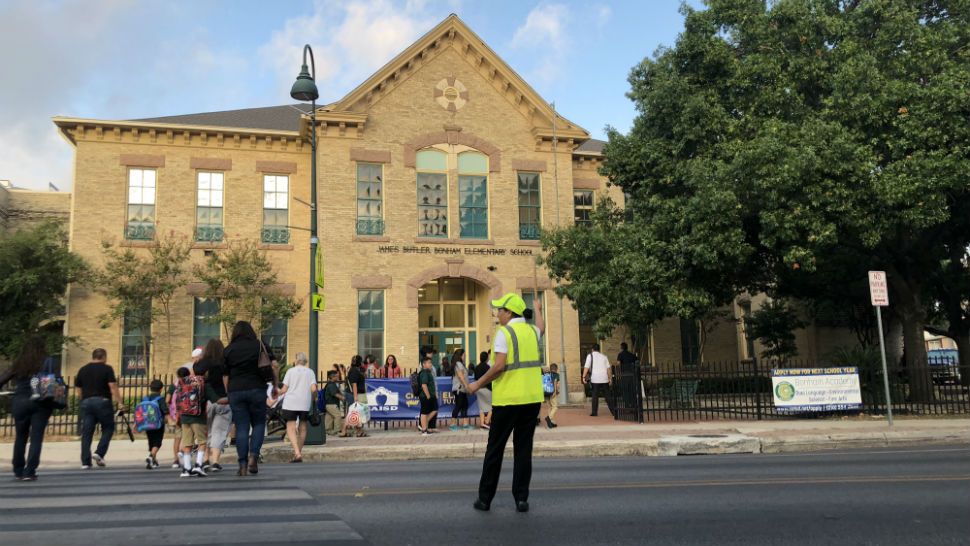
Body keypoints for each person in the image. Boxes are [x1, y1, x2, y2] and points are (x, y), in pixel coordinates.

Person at [467, 292, 544, 513]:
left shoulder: (504, 332)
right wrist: (538, 308)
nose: (497, 313)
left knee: (495, 450)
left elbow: (499, 366)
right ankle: (521, 498)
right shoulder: (531, 331)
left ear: (509, 313)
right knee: (523, 450)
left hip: (508, 401)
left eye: (500, 310)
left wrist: (476, 384)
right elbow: (541, 327)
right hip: (531, 400)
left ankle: (485, 499)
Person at [223, 320, 278, 476]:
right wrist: (275, 385)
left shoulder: (229, 350)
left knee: (241, 427)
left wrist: (228, 393)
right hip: (257, 389)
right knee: (259, 423)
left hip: (236, 391)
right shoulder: (260, 345)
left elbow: (225, 375)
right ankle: (254, 455)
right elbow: (274, 365)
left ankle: (242, 464)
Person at [5, 336, 54, 481]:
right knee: (36, 437)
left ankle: (18, 469)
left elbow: (2, 378)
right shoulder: (48, 361)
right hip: (40, 402)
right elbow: (53, 382)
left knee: (21, 436)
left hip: (20, 401)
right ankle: (30, 470)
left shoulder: (19, 363)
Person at [75, 348, 122, 470]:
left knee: (87, 432)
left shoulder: (83, 369)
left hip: (86, 402)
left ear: (93, 356)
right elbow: (112, 387)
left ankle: (85, 461)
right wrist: (120, 403)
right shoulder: (107, 369)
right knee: (108, 427)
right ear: (104, 357)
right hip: (103, 402)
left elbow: (78, 388)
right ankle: (99, 452)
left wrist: (83, 400)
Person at [278, 352, 318, 462]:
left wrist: (277, 393)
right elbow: (314, 389)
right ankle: (299, 452)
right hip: (304, 403)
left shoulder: (290, 371)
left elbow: (284, 389)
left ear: (296, 360)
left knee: (290, 427)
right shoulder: (310, 372)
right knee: (303, 427)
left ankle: (297, 453)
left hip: (291, 402)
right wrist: (313, 398)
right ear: (305, 361)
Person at [168, 347, 203, 468]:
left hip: (177, 414)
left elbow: (168, 400)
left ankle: (175, 459)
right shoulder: (193, 383)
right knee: (190, 435)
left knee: (178, 436)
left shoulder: (174, 385)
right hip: (191, 413)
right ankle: (185, 452)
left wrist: (170, 415)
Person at [200, 339, 230, 472]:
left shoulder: (201, 364)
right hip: (223, 399)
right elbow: (227, 380)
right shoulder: (225, 363)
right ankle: (216, 461)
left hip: (205, 401)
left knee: (206, 431)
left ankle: (205, 459)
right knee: (220, 431)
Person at [583, 343, 614, 417]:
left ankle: (594, 412)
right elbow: (608, 369)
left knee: (595, 396)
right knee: (607, 396)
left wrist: (583, 376)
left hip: (595, 379)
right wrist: (610, 378)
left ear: (592, 349)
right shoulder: (604, 357)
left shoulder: (590, 356)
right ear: (599, 349)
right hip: (604, 379)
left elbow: (586, 367)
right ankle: (613, 411)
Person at [340, 356, 368, 438]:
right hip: (354, 394)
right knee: (354, 413)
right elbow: (354, 384)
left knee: (354, 413)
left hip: (355, 393)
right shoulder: (354, 370)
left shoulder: (355, 370)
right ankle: (354, 431)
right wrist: (355, 397)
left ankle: (351, 431)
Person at [144, 379, 168, 469]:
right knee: (157, 442)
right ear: (161, 389)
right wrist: (169, 419)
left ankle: (153, 461)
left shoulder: (145, 398)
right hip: (158, 424)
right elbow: (165, 410)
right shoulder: (160, 399)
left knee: (151, 442)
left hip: (146, 424)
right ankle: (151, 456)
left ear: (150, 388)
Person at [450, 348, 471, 430]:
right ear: (460, 355)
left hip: (463, 389)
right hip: (459, 388)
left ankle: (465, 424)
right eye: (464, 355)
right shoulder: (458, 364)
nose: (465, 356)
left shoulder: (461, 364)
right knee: (458, 405)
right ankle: (452, 424)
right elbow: (461, 376)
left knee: (465, 405)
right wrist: (466, 386)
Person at [417, 357, 438, 435]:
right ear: (424, 364)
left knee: (434, 409)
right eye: (428, 363)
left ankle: (424, 426)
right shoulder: (424, 373)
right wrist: (428, 396)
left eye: (430, 363)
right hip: (425, 396)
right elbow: (424, 385)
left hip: (429, 396)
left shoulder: (428, 372)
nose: (430, 364)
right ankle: (424, 430)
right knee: (424, 412)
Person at [473, 351, 492, 430]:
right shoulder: (487, 367)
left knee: (481, 408)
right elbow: (490, 378)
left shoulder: (476, 367)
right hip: (487, 389)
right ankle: (487, 422)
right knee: (492, 406)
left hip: (478, 389)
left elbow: (475, 379)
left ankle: (481, 423)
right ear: (487, 358)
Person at [322, 370, 345, 435]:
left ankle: (328, 430)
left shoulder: (329, 384)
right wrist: (343, 398)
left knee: (330, 416)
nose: (338, 377)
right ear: (333, 377)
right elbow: (334, 394)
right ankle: (337, 430)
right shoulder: (331, 385)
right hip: (331, 404)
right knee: (338, 415)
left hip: (329, 404)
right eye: (336, 376)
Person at [544, 364, 561, 428]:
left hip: (546, 392)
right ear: (556, 369)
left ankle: (550, 423)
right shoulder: (556, 375)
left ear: (550, 368)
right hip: (552, 392)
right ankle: (549, 418)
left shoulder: (547, 374)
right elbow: (555, 382)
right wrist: (555, 391)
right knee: (555, 407)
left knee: (549, 407)